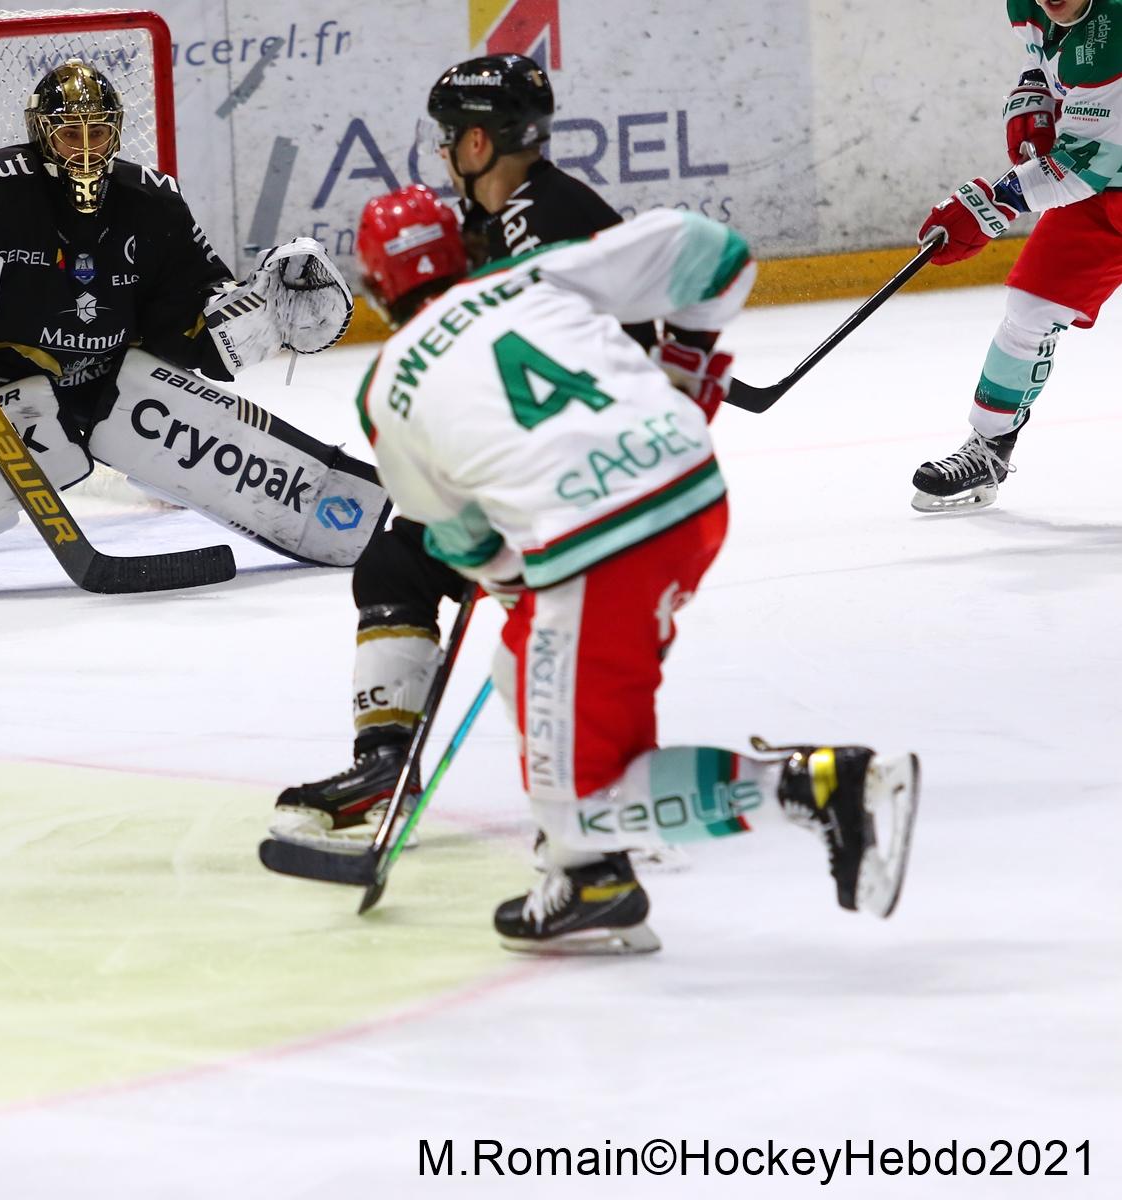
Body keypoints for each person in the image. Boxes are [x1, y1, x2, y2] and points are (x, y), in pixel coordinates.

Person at [356, 206, 919, 953]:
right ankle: (592, 884)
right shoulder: (531, 274)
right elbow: (720, 253)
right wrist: (685, 367)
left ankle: (818, 785)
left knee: (581, 804)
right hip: (688, 489)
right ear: (461, 250)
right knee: (522, 659)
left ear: (372, 286)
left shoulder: (384, 389)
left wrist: (521, 592)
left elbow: (463, 540)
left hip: (596, 543)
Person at [270, 55, 733, 847]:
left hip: (572, 471)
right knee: (406, 569)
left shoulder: (539, 223)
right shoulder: (518, 212)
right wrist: (684, 366)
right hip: (577, 457)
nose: (444, 152)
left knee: (482, 609)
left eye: (450, 138)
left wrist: (681, 368)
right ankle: (436, 769)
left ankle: (592, 812)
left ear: (479, 142)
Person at [0, 59, 350, 441]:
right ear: (42, 133)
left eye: (96, 131)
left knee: (165, 421)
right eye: (69, 133)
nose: (85, 148)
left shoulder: (154, 202)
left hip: (107, 375)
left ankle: (153, 451)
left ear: (115, 131)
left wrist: (252, 322)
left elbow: (191, 305)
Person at [911, 0, 1122, 511]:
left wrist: (992, 204)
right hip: (1105, 191)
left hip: (1098, 171)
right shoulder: (1029, 6)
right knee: (1030, 308)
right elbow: (1050, 64)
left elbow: (1090, 161)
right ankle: (988, 450)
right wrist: (1036, 86)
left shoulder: (1112, 31)